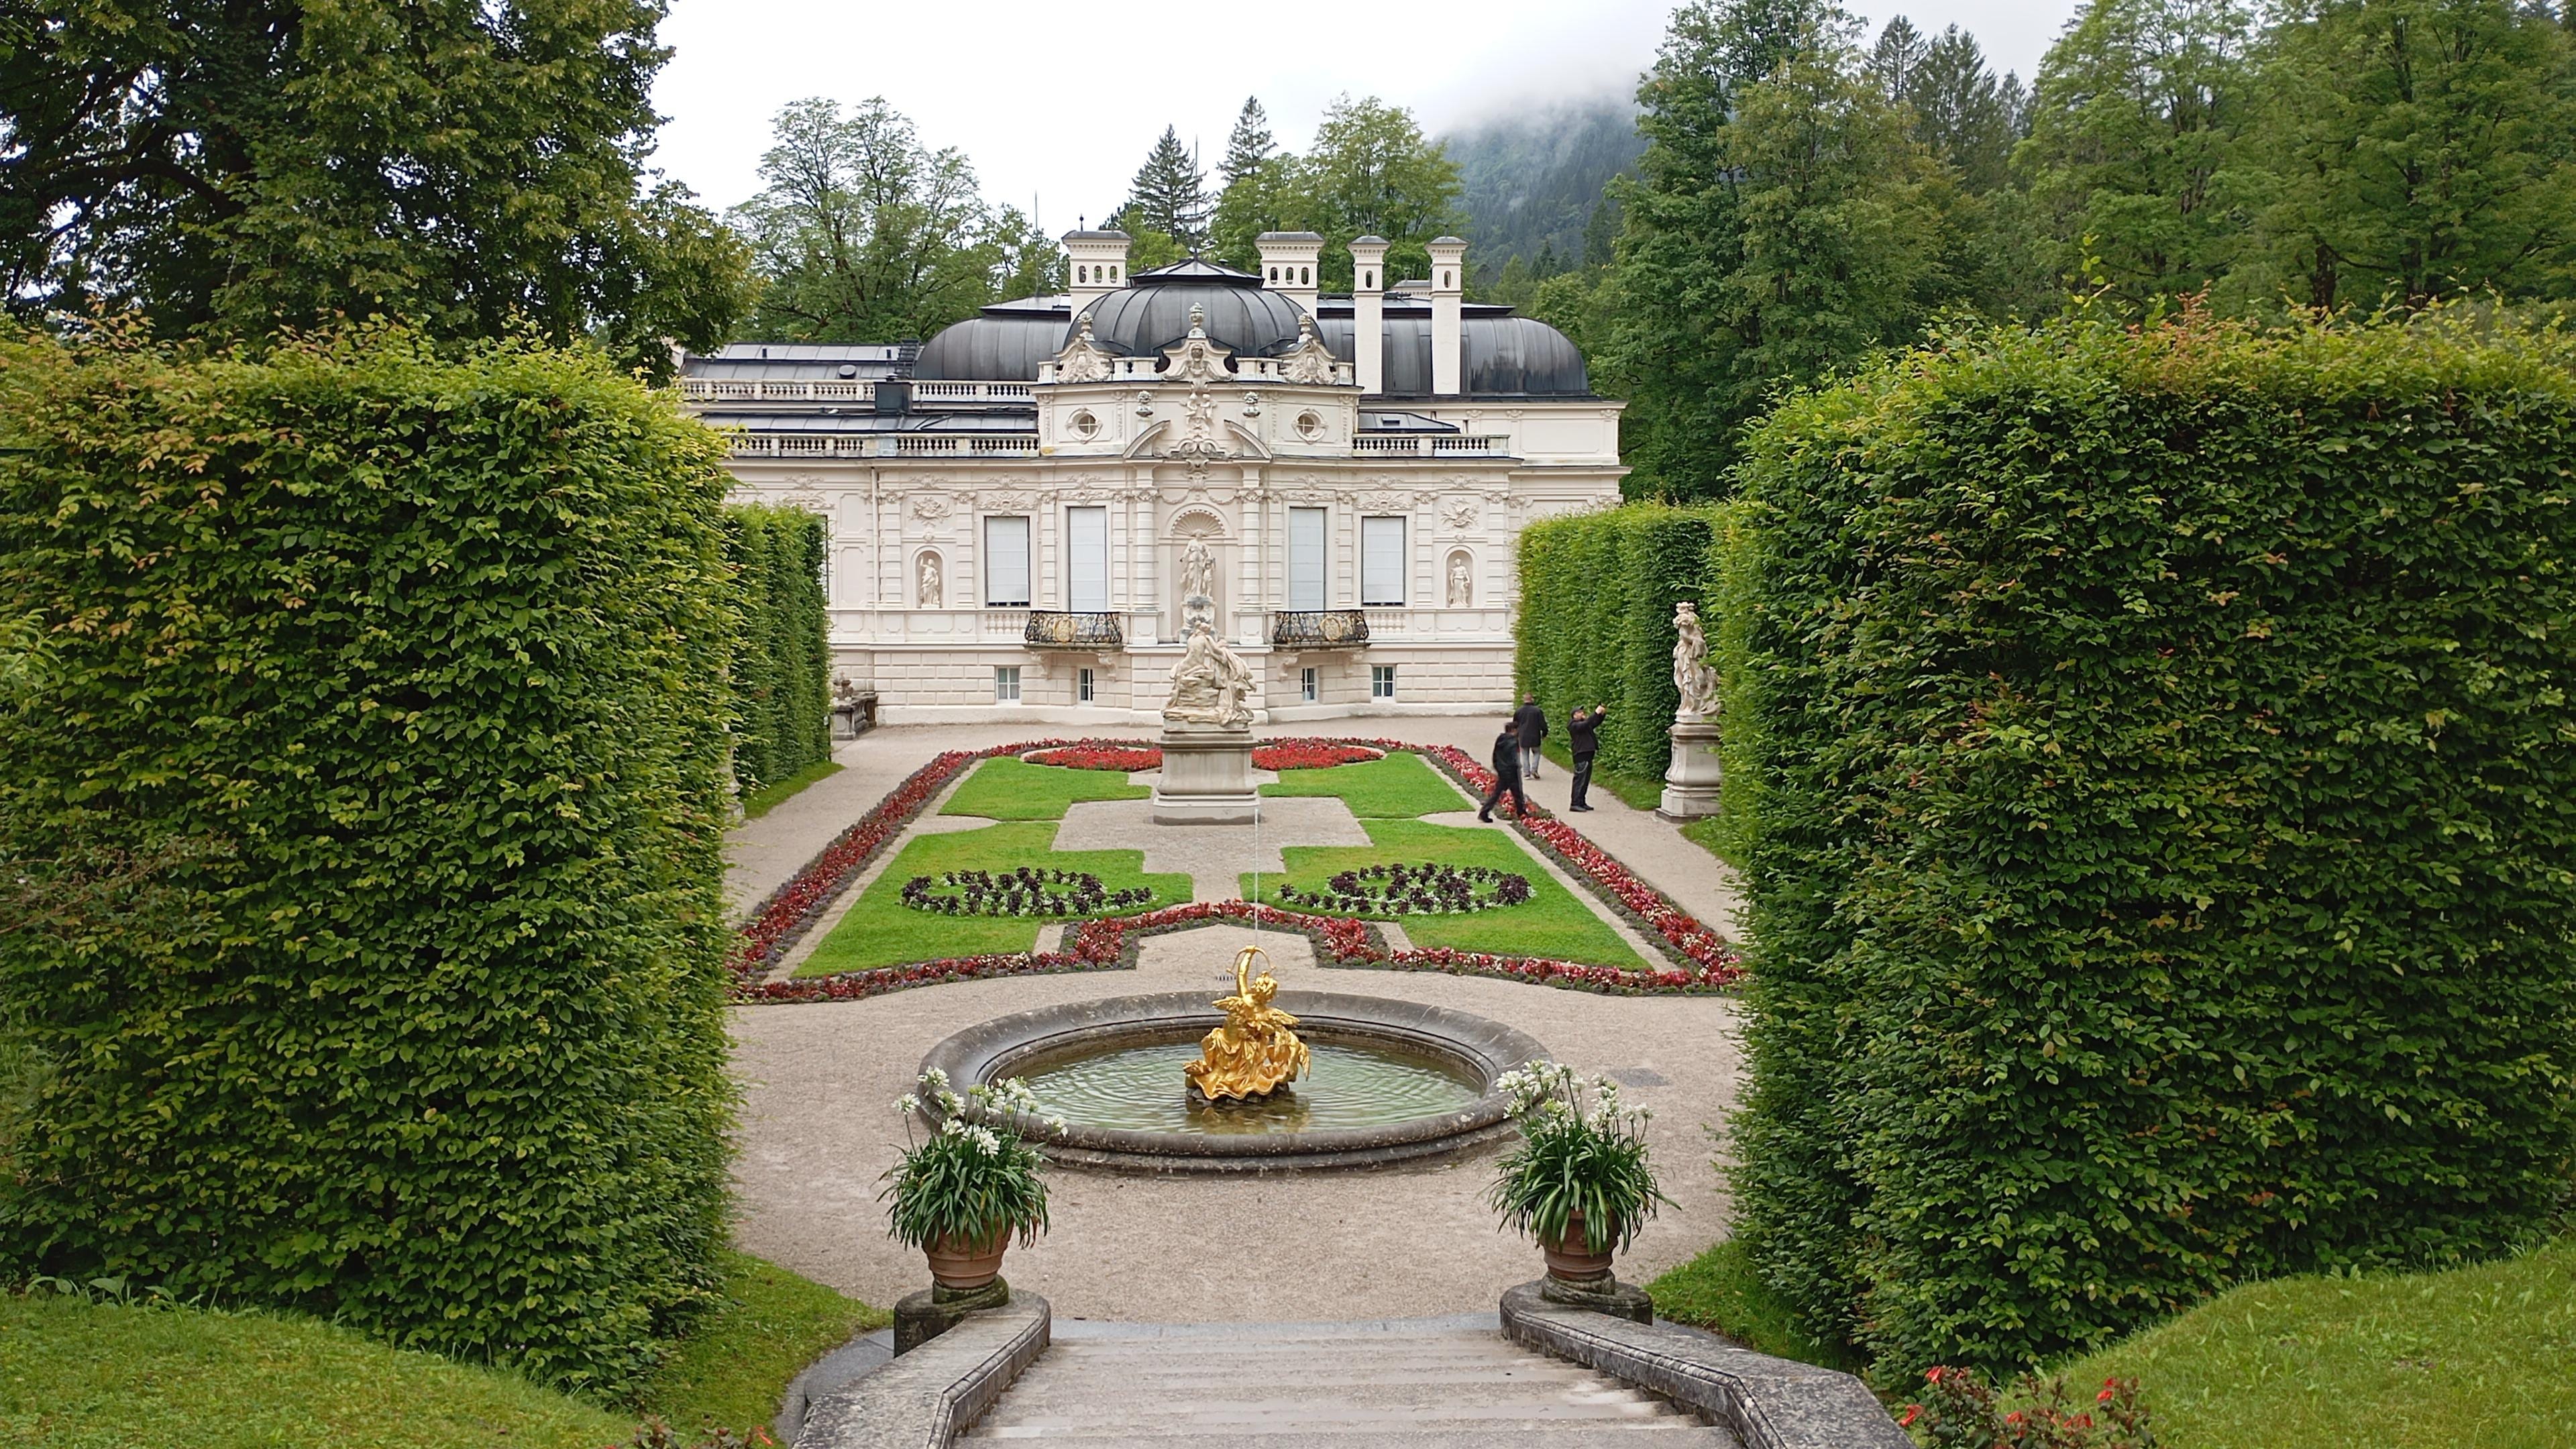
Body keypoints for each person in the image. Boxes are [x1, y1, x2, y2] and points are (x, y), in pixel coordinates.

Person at [1478, 722, 1529, 822]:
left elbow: (1495, 755)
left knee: (1500, 793)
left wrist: (1498, 767)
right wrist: (1517, 766)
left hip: (1502, 770)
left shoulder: (1500, 739)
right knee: (1515, 792)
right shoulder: (1513, 742)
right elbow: (1514, 757)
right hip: (1511, 770)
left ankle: (1521, 811)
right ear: (1514, 730)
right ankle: (1521, 812)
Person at [1568, 704, 1606, 811]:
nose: (1582, 714)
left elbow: (1593, 723)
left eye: (1582, 712)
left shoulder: (1583, 724)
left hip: (1588, 754)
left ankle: (1581, 801)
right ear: (1574, 715)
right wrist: (1595, 713)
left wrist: (1601, 715)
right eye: (1580, 712)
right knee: (1580, 779)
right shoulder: (1573, 725)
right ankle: (1575, 803)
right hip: (1581, 755)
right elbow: (1588, 723)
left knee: (1585, 780)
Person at [1511, 692, 1548, 781]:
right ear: (1532, 699)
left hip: (1523, 736)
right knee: (1537, 753)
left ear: (1524, 700)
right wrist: (1544, 733)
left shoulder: (1519, 711)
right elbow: (1543, 724)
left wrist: (1515, 735)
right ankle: (1534, 770)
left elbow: (1515, 724)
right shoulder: (1537, 711)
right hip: (1535, 735)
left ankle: (1527, 773)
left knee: (1525, 754)